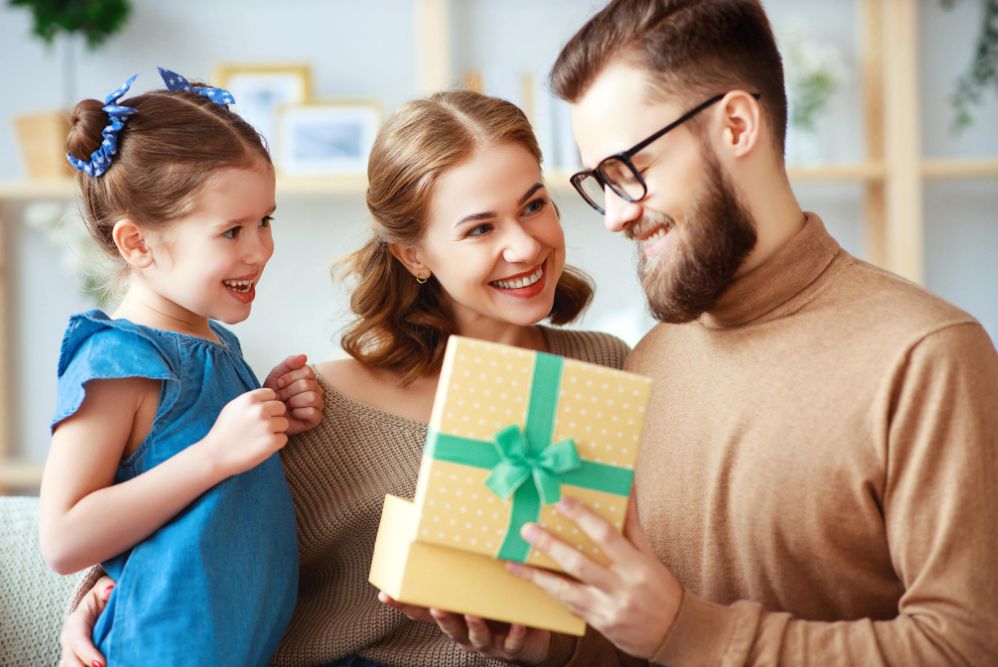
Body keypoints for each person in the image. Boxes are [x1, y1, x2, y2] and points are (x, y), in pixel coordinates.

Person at [393, 1, 998, 665]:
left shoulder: (927, 355)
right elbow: (652, 633)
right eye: (600, 183)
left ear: (736, 125)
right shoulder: (648, 363)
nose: (614, 217)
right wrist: (562, 648)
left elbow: (966, 647)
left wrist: (685, 629)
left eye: (632, 169)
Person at [59, 90, 630, 667]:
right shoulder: (321, 404)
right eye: (480, 228)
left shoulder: (609, 372)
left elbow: (641, 589)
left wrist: (548, 650)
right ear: (413, 255)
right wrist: (98, 602)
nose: (526, 246)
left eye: (534, 205)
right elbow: (199, 525)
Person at [41, 67, 324, 666]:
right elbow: (63, 540)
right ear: (138, 244)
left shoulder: (218, 344)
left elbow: (204, 495)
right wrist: (217, 453)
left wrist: (274, 413)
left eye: (265, 221)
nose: (261, 249)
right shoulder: (118, 360)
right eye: (231, 231)